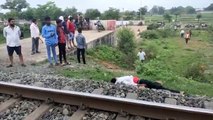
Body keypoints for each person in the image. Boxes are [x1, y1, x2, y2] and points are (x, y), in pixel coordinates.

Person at [111, 76, 180, 93]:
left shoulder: (120, 80)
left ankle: (157, 84)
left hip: (140, 82)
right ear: (115, 79)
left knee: (156, 87)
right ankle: (177, 92)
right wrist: (140, 85)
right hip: (141, 82)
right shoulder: (120, 80)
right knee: (159, 88)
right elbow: (129, 84)